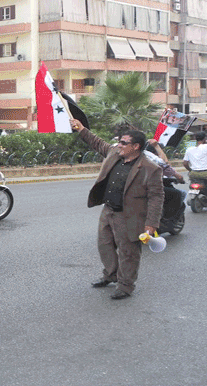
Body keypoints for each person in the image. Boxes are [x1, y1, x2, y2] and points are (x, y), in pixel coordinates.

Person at [70, 118, 164, 300]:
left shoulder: (150, 169)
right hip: (108, 210)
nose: (119, 145)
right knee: (104, 245)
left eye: (123, 142)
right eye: (119, 141)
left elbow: (156, 197)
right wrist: (81, 129)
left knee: (128, 252)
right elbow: (97, 142)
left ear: (135, 146)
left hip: (129, 215)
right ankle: (110, 275)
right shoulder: (114, 153)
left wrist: (151, 223)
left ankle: (126, 285)